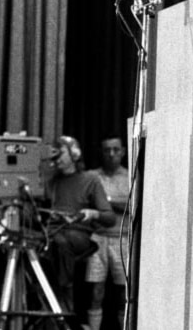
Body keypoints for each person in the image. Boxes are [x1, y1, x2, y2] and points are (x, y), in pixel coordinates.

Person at [43, 135, 115, 312]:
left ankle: (64, 300)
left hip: (76, 234)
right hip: (52, 232)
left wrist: (91, 213)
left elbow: (110, 218)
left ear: (74, 155)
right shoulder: (51, 182)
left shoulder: (90, 180)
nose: (56, 159)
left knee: (59, 242)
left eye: (60, 154)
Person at [85, 135, 130, 330]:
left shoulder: (130, 177)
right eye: (107, 150)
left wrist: (106, 203)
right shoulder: (92, 177)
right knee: (96, 291)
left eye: (115, 150)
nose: (111, 154)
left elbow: (134, 207)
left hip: (123, 239)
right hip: (98, 239)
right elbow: (86, 204)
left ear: (123, 151)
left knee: (124, 293)